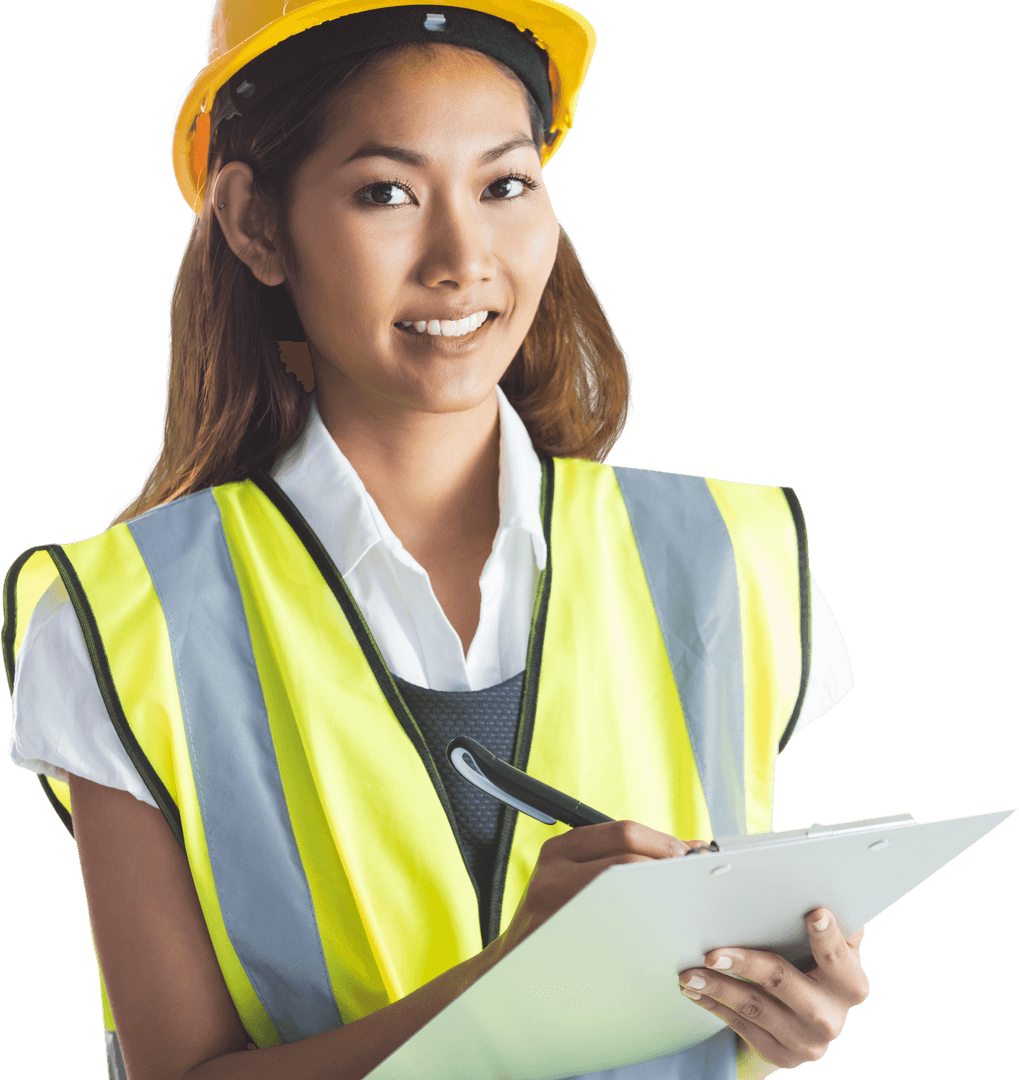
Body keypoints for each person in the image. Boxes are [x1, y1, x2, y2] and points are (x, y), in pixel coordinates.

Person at [3, 3, 868, 1079]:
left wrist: (786, 1004)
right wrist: (516, 991)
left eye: (505, 184)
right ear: (253, 223)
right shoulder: (117, 619)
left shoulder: (735, 559)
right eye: (386, 194)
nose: (463, 258)